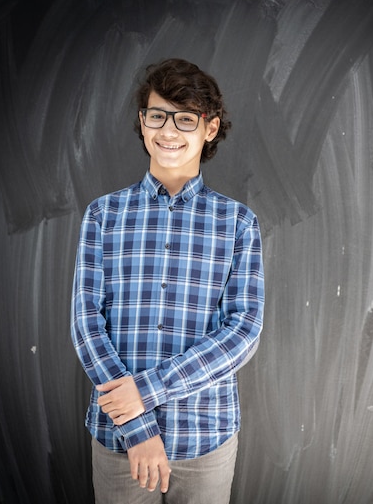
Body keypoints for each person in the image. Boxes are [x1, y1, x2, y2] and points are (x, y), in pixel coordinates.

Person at [70, 58, 265, 504]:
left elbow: (244, 331)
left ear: (209, 128)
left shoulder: (238, 223)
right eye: (157, 116)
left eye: (186, 118)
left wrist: (147, 391)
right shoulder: (104, 215)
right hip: (119, 441)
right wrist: (137, 426)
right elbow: (86, 324)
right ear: (143, 122)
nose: (169, 131)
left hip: (206, 437)